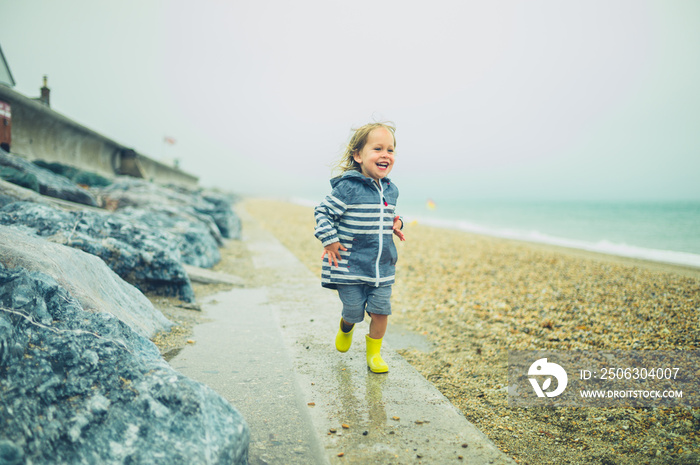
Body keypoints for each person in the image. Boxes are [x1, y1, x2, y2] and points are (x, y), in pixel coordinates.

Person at [314, 122, 406, 373]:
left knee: (380, 312)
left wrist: (397, 223)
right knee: (354, 311)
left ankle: (374, 355)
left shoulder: (391, 189)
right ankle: (346, 325)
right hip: (350, 265)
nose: (385, 154)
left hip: (381, 267)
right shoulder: (348, 187)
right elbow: (323, 212)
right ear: (358, 155)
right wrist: (330, 239)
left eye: (390, 149)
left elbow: (389, 214)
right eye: (378, 148)